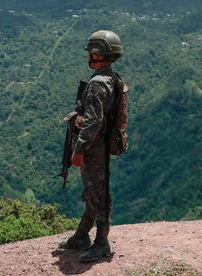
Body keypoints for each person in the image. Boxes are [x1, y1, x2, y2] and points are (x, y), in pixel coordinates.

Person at [59, 30, 126, 263]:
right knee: (92, 190)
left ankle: (101, 243)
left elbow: (93, 122)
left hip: (93, 149)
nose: (89, 56)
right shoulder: (114, 78)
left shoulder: (98, 84)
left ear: (98, 53)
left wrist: (79, 150)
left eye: (92, 52)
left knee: (97, 193)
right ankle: (81, 235)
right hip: (102, 146)